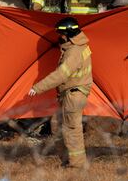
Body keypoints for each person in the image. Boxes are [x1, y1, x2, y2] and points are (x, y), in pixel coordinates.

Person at [28, 17, 92, 169]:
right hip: (69, 94)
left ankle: (77, 164)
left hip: (74, 94)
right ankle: (66, 159)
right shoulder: (75, 47)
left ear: (68, 34)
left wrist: (37, 88)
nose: (59, 38)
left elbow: (61, 75)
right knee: (56, 124)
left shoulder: (74, 52)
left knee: (71, 128)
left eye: (61, 35)